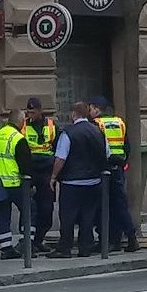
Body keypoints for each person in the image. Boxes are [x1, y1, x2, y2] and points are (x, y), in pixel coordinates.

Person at [50, 101, 107, 257]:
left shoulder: (68, 133)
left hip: (72, 183)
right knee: (87, 216)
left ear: (74, 114)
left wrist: (54, 177)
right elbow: (106, 154)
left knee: (68, 216)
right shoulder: (98, 131)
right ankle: (85, 248)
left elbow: (60, 158)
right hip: (94, 181)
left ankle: (65, 248)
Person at [91, 95, 139, 252]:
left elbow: (96, 149)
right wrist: (123, 163)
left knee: (103, 207)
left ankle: (110, 240)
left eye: (91, 108)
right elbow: (127, 146)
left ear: (97, 108)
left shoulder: (96, 124)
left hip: (103, 171)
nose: (89, 111)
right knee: (119, 205)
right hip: (118, 169)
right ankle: (125, 238)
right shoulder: (119, 122)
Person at [0, 110, 31, 259]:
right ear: (21, 122)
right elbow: (25, 164)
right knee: (30, 210)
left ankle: (6, 248)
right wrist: (30, 184)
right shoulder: (18, 138)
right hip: (15, 182)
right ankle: (27, 242)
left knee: (2, 216)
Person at [20, 97, 58, 252]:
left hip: (46, 173)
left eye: (33, 112)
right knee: (28, 208)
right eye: (28, 111)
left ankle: (39, 239)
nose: (30, 114)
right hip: (30, 171)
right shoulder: (23, 125)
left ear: (40, 111)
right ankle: (28, 241)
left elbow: (57, 146)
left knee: (46, 208)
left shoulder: (51, 125)